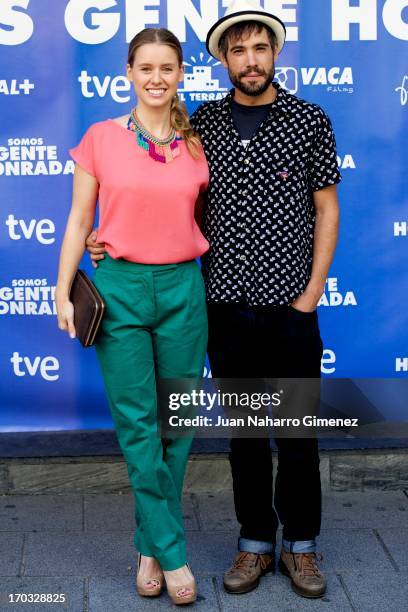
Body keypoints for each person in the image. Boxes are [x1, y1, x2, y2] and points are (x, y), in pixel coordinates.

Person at [86, 0, 341, 600]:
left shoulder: (310, 119)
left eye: (260, 49)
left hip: (290, 307)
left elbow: (327, 208)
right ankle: (254, 543)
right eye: (238, 50)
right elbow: (171, 202)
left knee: (297, 430)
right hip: (222, 304)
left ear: (275, 54)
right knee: (246, 435)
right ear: (222, 59)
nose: (250, 61)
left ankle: (301, 547)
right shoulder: (201, 126)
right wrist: (107, 238)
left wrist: (311, 293)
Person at [55, 27, 210, 606]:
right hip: (120, 288)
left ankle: (149, 542)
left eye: (167, 67)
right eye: (145, 67)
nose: (156, 78)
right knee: (139, 427)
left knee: (178, 424)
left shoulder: (199, 142)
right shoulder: (100, 137)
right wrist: (62, 286)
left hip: (183, 291)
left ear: (180, 74)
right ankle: (173, 556)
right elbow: (78, 221)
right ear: (128, 72)